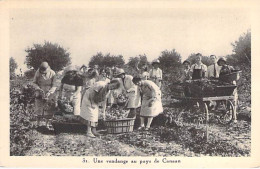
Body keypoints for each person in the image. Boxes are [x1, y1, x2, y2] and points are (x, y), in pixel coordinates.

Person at [33, 62, 57, 127]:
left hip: (49, 91)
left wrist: (50, 92)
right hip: (40, 90)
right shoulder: (37, 72)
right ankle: (38, 124)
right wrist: (38, 88)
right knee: (39, 107)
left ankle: (47, 125)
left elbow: (55, 84)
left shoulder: (52, 73)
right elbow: (34, 82)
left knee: (48, 107)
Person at [217, 57, 238, 123]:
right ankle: (225, 117)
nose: (222, 63)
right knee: (225, 101)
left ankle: (234, 118)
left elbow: (235, 75)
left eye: (223, 62)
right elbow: (221, 78)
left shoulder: (230, 67)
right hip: (225, 86)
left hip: (231, 86)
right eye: (220, 62)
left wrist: (232, 80)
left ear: (225, 62)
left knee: (233, 102)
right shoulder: (221, 70)